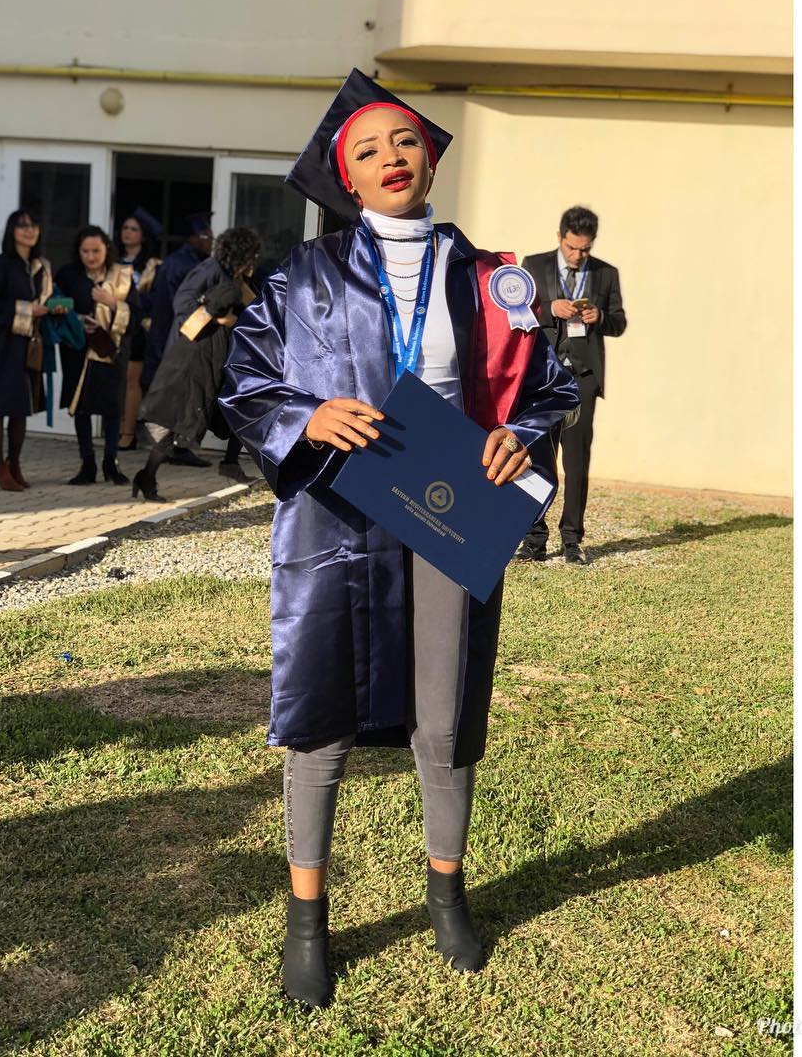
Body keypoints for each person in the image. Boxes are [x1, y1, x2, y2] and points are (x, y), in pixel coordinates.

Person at [217, 69, 580, 1009]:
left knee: (445, 711)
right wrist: (305, 416)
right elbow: (245, 383)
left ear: (431, 159)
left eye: (406, 141)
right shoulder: (304, 275)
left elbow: (550, 384)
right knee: (321, 712)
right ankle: (307, 920)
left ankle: (446, 894)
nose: (390, 157)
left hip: (451, 501)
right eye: (368, 148)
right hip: (339, 508)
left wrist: (520, 433)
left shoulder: (489, 274)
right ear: (345, 175)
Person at [518, 206, 628, 564]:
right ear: (560, 237)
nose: (578, 256)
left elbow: (619, 323)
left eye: (585, 249)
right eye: (572, 248)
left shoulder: (606, 273)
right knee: (539, 460)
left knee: (577, 463)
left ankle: (572, 540)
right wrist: (551, 308)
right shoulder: (534, 265)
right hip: (543, 379)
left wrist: (601, 317)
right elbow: (517, 312)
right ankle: (534, 540)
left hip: (583, 379)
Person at [132, 227, 261, 501]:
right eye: (251, 254)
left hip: (217, 356)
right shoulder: (211, 270)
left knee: (241, 406)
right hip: (195, 357)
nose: (254, 260)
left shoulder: (232, 275)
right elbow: (183, 304)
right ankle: (147, 477)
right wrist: (220, 318)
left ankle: (229, 463)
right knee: (176, 420)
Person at [0, 209, 55, 491]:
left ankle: (14, 463)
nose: (29, 230)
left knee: (21, 407)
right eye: (22, 226)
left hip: (26, 345)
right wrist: (27, 309)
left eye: (33, 225)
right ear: (12, 231)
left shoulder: (38, 267)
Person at [55, 226, 141, 485]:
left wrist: (111, 302)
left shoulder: (121, 276)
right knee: (80, 406)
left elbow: (136, 317)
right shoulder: (68, 275)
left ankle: (111, 462)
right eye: (85, 251)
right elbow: (56, 304)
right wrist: (78, 320)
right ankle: (87, 463)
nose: (91, 256)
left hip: (111, 350)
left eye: (96, 251)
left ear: (107, 249)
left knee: (112, 408)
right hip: (78, 349)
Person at [139, 213, 213, 395]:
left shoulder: (177, 261)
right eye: (208, 237)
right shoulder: (191, 266)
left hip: (161, 338)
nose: (211, 242)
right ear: (195, 237)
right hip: (173, 339)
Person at [115, 206, 163, 451]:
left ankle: (128, 432)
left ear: (143, 235)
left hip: (138, 329)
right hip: (113, 326)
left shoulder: (153, 266)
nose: (127, 232)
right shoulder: (113, 260)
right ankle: (116, 427)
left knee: (131, 380)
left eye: (133, 229)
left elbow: (156, 300)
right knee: (116, 379)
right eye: (125, 228)